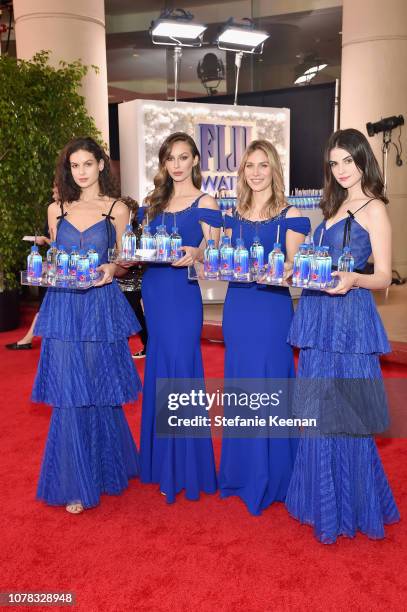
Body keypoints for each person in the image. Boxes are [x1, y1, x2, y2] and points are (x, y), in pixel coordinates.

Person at [285, 128, 400, 543]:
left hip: (349, 320)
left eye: (347, 161)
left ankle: (352, 506)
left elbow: (385, 276)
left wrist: (354, 278)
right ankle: (320, 502)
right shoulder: (333, 206)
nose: (341, 170)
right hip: (317, 314)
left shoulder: (373, 209)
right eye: (334, 163)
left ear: (362, 159)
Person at [32, 137, 142, 514]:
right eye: (74, 165)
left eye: (87, 164)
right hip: (63, 308)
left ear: (100, 165)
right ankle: (75, 480)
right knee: (69, 390)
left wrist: (112, 268)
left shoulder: (117, 210)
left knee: (97, 386)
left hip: (100, 307)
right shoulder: (56, 210)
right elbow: (56, 259)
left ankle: (106, 467)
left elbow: (126, 260)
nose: (80, 171)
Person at [218, 140, 310, 515]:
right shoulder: (231, 216)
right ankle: (242, 472)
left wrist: (285, 268)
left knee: (271, 383)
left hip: (271, 309)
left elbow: (293, 266)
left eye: (263, 165)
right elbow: (221, 260)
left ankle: (275, 475)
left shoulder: (292, 216)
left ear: (274, 170)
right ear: (242, 172)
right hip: (238, 307)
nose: (255, 172)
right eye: (249, 166)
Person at [138, 131, 222, 502]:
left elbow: (219, 249)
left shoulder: (206, 201)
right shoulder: (153, 201)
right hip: (154, 290)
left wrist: (198, 253)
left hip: (183, 295)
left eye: (183, 157)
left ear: (194, 161)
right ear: (163, 162)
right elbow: (141, 246)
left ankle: (185, 466)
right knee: (158, 367)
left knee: (182, 369)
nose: (176, 164)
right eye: (170, 158)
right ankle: (161, 464)